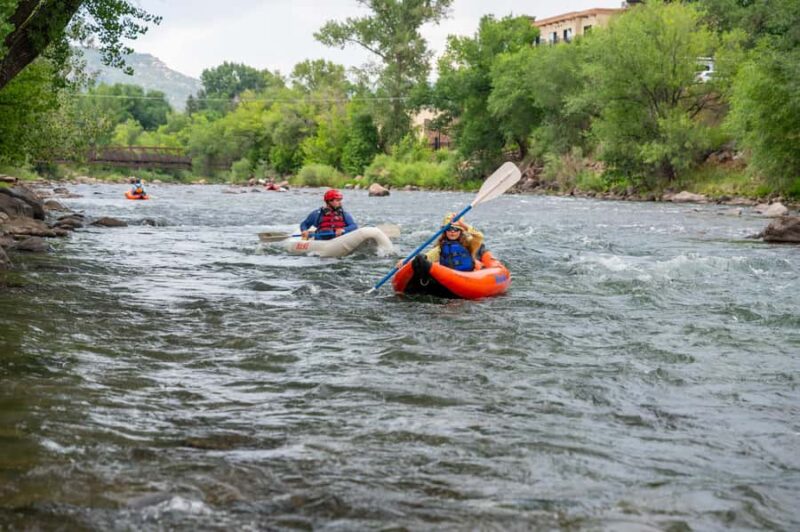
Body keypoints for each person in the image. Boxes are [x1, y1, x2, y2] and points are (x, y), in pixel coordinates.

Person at [397, 212, 485, 271]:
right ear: (444, 231)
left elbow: (479, 236)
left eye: (456, 229)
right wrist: (406, 260)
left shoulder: (469, 243)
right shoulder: (441, 247)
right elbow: (427, 257)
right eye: (449, 229)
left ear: (461, 231)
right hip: (448, 277)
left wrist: (463, 225)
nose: (452, 232)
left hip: (467, 275)